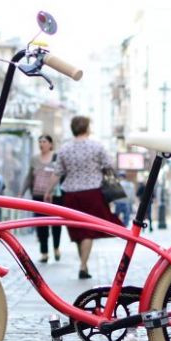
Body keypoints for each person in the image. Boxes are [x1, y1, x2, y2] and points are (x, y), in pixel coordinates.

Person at [46, 116, 121, 279]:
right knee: (87, 231)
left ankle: (84, 264)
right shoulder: (97, 146)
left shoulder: (65, 149)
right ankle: (83, 265)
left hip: (71, 194)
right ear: (86, 128)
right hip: (92, 192)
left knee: (78, 230)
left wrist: (48, 191)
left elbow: (57, 172)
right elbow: (109, 167)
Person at [21, 135, 63, 263]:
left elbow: (61, 175)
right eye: (39, 142)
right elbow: (29, 177)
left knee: (56, 224)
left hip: (54, 196)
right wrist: (21, 192)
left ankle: (56, 248)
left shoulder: (57, 157)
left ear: (50, 144)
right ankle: (44, 253)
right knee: (41, 224)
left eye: (44, 141)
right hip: (38, 196)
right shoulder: (34, 159)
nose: (41, 144)